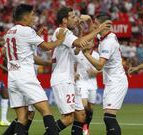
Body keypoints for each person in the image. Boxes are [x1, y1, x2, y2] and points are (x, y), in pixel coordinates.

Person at [4, 4, 65, 135]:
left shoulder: (9, 32)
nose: (34, 17)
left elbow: (17, 51)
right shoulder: (27, 31)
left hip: (13, 77)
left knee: (22, 118)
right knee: (46, 111)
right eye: (32, 15)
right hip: (25, 77)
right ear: (25, 17)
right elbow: (47, 46)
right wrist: (60, 40)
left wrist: (36, 35)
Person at [49, 7, 111, 135]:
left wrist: (81, 31)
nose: (75, 19)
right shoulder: (62, 31)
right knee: (68, 118)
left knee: (81, 116)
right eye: (72, 17)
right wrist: (99, 29)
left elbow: (77, 50)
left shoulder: (67, 34)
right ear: (64, 20)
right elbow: (79, 43)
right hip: (62, 79)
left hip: (69, 79)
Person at [82, 12, 128, 135]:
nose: (96, 27)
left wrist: (86, 54)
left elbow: (99, 65)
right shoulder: (105, 37)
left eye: (97, 24)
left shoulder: (109, 42)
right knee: (108, 118)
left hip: (117, 82)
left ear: (105, 26)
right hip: (111, 81)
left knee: (109, 118)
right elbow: (94, 32)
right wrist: (89, 21)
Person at [74, 47, 100, 135]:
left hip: (92, 83)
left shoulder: (96, 55)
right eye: (87, 41)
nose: (88, 43)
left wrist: (95, 72)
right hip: (81, 82)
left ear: (93, 44)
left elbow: (102, 69)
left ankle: (86, 127)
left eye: (90, 41)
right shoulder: (78, 53)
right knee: (83, 107)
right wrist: (74, 73)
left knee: (90, 108)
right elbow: (72, 64)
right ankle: (80, 128)